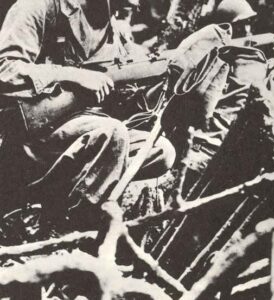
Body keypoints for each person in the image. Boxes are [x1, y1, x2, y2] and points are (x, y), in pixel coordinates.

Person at [0, 0, 176, 227]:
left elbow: (127, 105)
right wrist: (74, 75)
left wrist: (161, 84)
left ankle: (57, 206)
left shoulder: (116, 33)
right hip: (33, 135)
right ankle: (66, 227)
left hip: (87, 136)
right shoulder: (42, 6)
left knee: (160, 150)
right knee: (112, 134)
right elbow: (5, 68)